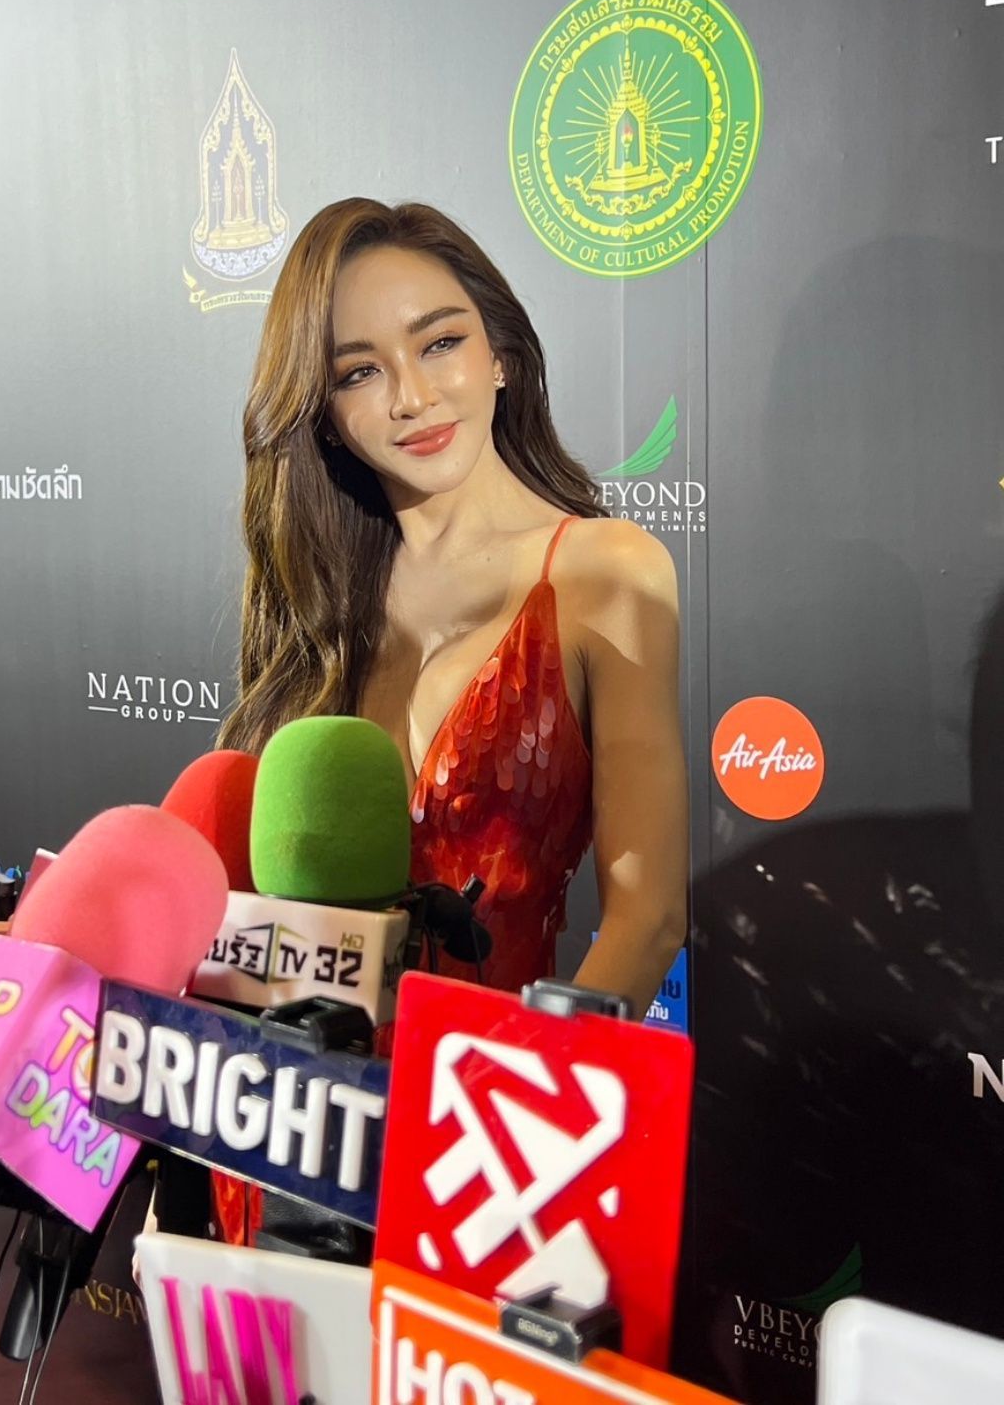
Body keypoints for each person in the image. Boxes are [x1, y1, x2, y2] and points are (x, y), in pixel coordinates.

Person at [221, 196, 688, 1014]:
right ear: (324, 415)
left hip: (495, 1077)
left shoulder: (608, 573)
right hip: (299, 1076)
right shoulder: (318, 600)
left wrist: (508, 1085)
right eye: (359, 372)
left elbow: (647, 922)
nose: (412, 396)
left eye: (440, 343)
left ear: (500, 354)